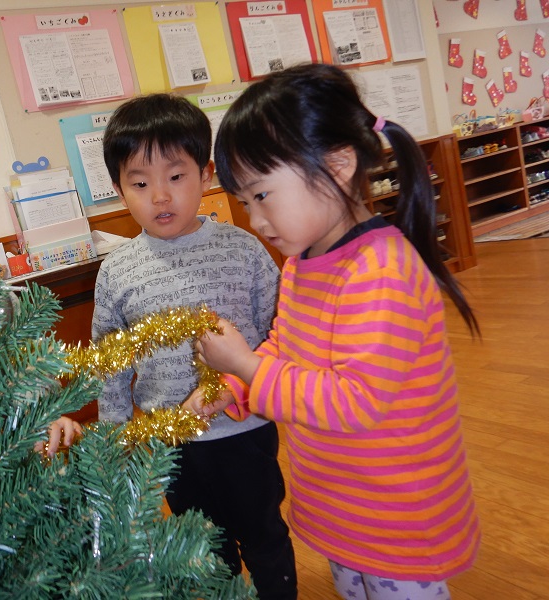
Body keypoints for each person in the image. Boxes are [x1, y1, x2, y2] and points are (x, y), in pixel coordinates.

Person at [190, 63, 481, 600]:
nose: (254, 219)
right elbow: (288, 344)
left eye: (262, 195)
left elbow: (355, 401)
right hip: (345, 501)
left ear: (339, 165)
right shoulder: (304, 261)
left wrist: (247, 367)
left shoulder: (382, 272)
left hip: (397, 514)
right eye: (245, 201)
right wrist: (229, 386)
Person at [94, 93, 298, 599]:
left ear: (206, 175)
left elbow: (283, 330)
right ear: (120, 190)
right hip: (173, 445)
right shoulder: (116, 271)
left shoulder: (243, 248)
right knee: (205, 548)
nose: (160, 196)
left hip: (245, 429)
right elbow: (111, 368)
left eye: (176, 177)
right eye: (140, 183)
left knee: (265, 535)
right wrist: (114, 445)